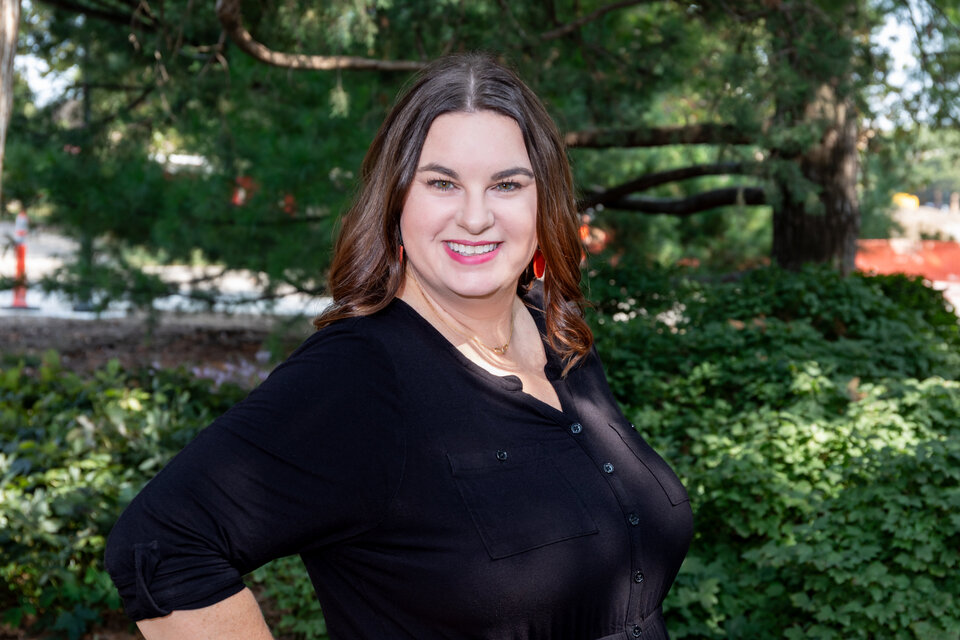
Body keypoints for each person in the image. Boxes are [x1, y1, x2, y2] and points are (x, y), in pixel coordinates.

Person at [104, 52, 694, 640]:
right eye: (442, 183)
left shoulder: (560, 337)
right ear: (396, 202)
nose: (475, 216)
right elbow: (161, 544)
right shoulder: (359, 376)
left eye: (507, 184)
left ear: (543, 203)